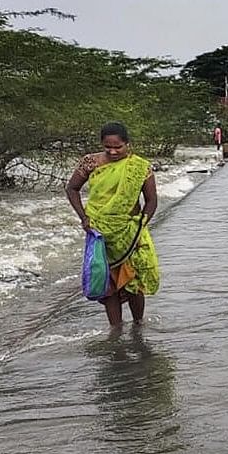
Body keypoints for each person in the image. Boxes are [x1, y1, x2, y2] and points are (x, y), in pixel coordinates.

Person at [66, 122, 160, 328]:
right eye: (108, 146)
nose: (113, 151)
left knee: (133, 282)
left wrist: (141, 223)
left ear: (128, 144)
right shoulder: (91, 162)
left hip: (130, 231)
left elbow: (151, 200)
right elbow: (72, 188)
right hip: (99, 232)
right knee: (107, 283)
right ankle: (115, 329)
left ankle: (138, 324)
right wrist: (84, 218)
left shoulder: (140, 167)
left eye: (118, 146)